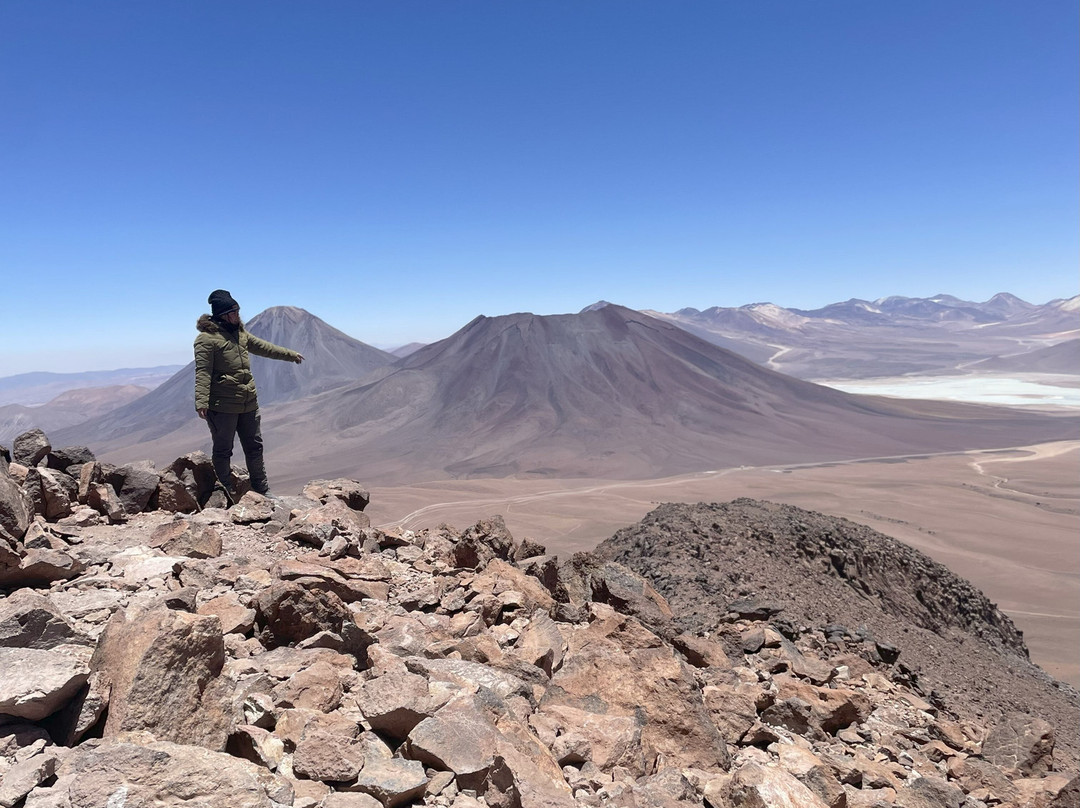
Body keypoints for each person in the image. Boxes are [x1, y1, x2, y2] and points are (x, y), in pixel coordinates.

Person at [194, 289, 304, 499]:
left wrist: (290, 355)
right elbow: (203, 370)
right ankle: (225, 494)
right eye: (233, 313)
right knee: (223, 450)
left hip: (248, 403)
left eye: (238, 311)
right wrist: (201, 400)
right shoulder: (206, 340)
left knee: (255, 447)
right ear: (222, 315)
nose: (237, 316)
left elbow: (264, 348)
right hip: (222, 406)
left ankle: (262, 490)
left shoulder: (240, 334)